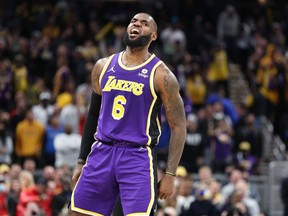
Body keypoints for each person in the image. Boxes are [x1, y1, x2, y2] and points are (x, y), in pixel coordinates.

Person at [69, 12, 186, 216]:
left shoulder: (162, 75)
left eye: (144, 24)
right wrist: (81, 160)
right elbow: (93, 115)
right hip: (101, 152)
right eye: (133, 21)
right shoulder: (102, 66)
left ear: (153, 36)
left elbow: (179, 126)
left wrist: (170, 174)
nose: (137, 25)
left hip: (137, 156)